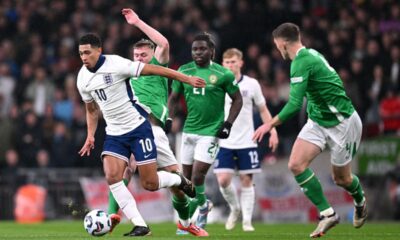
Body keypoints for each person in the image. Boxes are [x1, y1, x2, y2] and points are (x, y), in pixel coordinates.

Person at [77, 33, 205, 236]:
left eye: (87, 52)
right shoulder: (82, 78)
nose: (83, 57)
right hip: (114, 133)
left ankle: (179, 182)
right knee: (112, 176)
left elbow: (157, 69)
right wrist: (90, 135)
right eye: (81, 53)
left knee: (150, 183)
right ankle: (140, 224)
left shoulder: (117, 64)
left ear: (98, 50)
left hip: (139, 128)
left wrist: (186, 78)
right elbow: (91, 110)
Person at [253, 23, 367, 238]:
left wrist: (269, 124)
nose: (277, 50)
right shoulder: (310, 54)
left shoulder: (301, 62)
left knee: (342, 179)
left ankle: (360, 201)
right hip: (318, 120)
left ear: (284, 43)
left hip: (343, 123)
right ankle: (327, 214)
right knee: (295, 164)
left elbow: (295, 104)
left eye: (277, 46)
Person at [106, 8, 208, 237]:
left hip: (156, 130)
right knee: (125, 166)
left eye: (143, 55)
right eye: (136, 56)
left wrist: (137, 22)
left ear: (152, 55)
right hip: (136, 127)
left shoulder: (158, 68)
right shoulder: (129, 72)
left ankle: (184, 223)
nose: (139, 59)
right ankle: (113, 215)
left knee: (177, 187)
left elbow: (163, 44)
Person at [168, 33, 243, 231]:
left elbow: (238, 100)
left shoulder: (223, 74)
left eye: (202, 49)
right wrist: (168, 117)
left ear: (211, 51)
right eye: (195, 49)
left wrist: (228, 124)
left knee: (198, 175)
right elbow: (174, 97)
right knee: (185, 180)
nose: (198, 52)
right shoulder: (184, 71)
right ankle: (203, 205)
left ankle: (189, 219)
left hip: (211, 132)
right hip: (189, 131)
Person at [213, 48, 279, 231]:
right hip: (225, 142)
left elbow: (263, 109)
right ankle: (234, 208)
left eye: (233, 61)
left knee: (246, 181)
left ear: (241, 63)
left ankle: (247, 221)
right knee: (223, 180)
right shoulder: (218, 84)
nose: (230, 65)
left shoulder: (252, 84)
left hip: (247, 141)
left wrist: (272, 131)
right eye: (227, 62)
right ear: (222, 64)